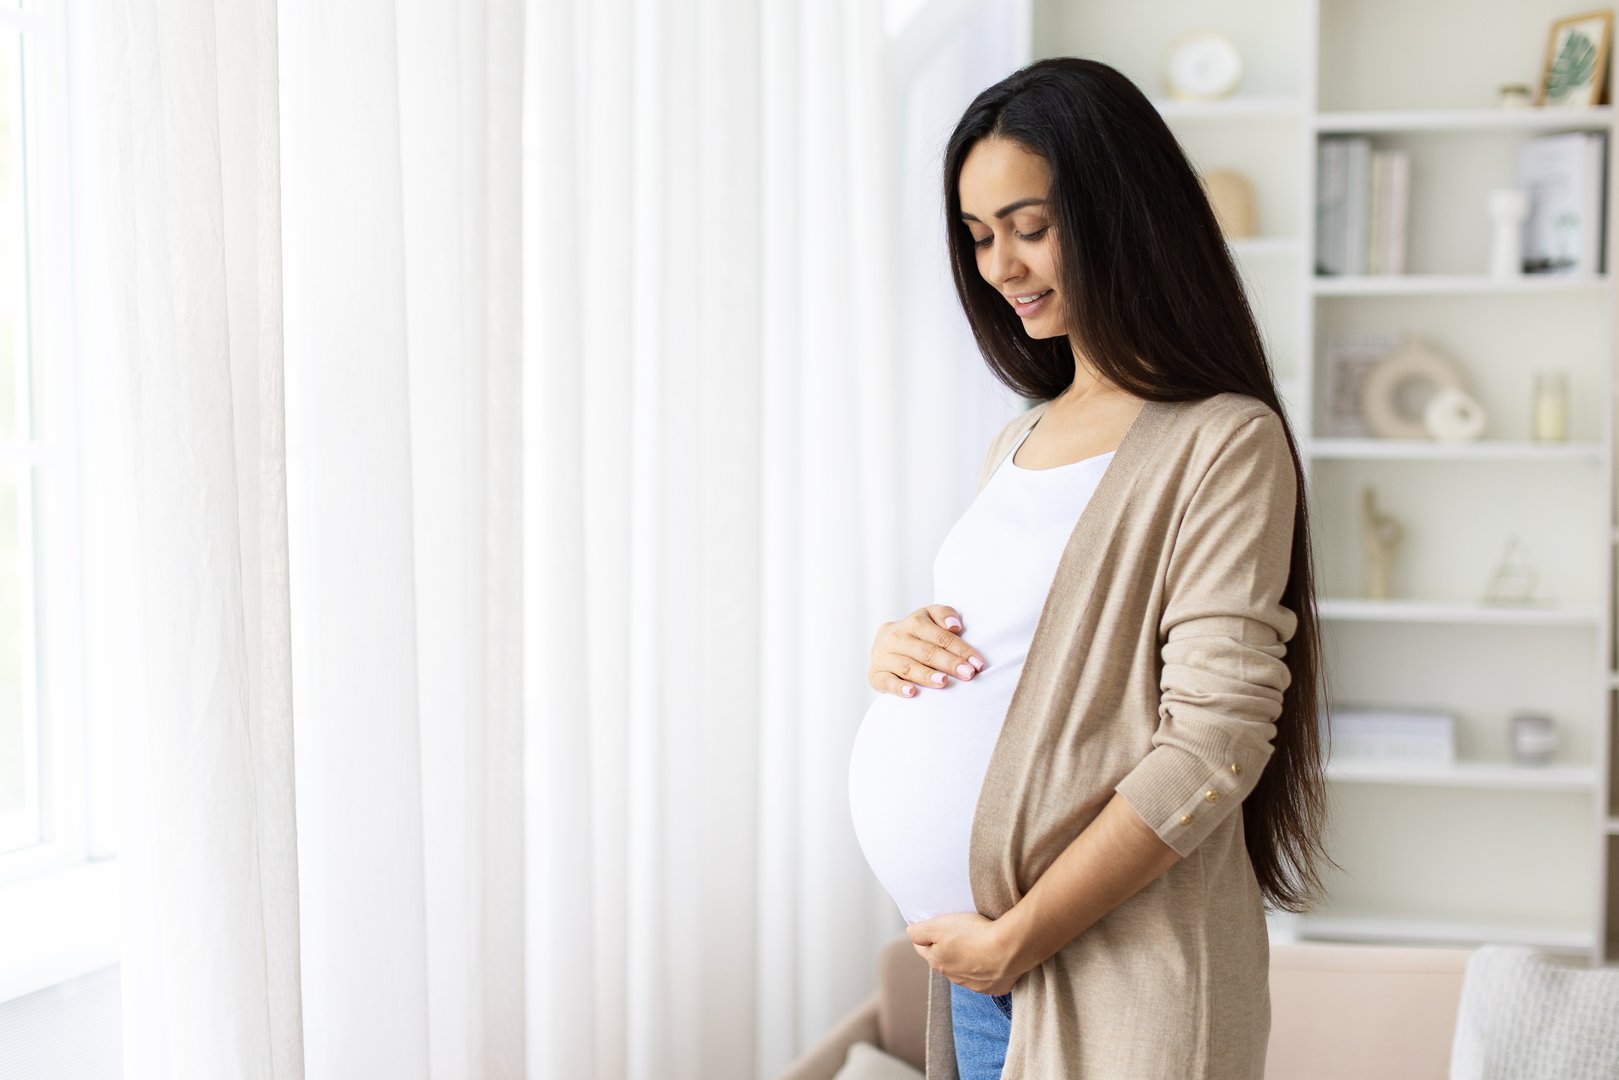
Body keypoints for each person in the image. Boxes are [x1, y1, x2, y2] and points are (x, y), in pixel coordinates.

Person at [847, 58, 1338, 1079]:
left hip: (1102, 971)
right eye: (978, 238)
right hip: (980, 977)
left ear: (1120, 212)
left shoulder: (1219, 441)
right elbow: (1025, 651)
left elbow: (1211, 742)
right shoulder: (1021, 435)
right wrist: (902, 651)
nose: (999, 267)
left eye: (1028, 227)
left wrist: (1019, 933)